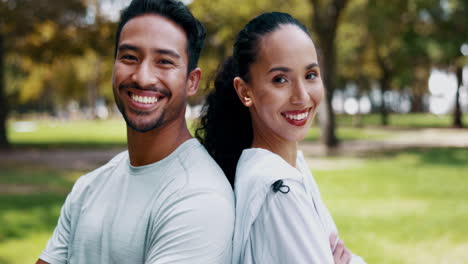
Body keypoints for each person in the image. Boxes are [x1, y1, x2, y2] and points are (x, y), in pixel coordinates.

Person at [36, 0, 234, 263]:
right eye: (130, 57)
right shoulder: (89, 187)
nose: (142, 77)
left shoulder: (199, 197)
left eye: (164, 62)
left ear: (191, 81)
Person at [196, 12, 366, 264]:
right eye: (280, 79)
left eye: (310, 75)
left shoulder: (291, 165)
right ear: (245, 91)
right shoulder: (278, 191)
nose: (301, 96)